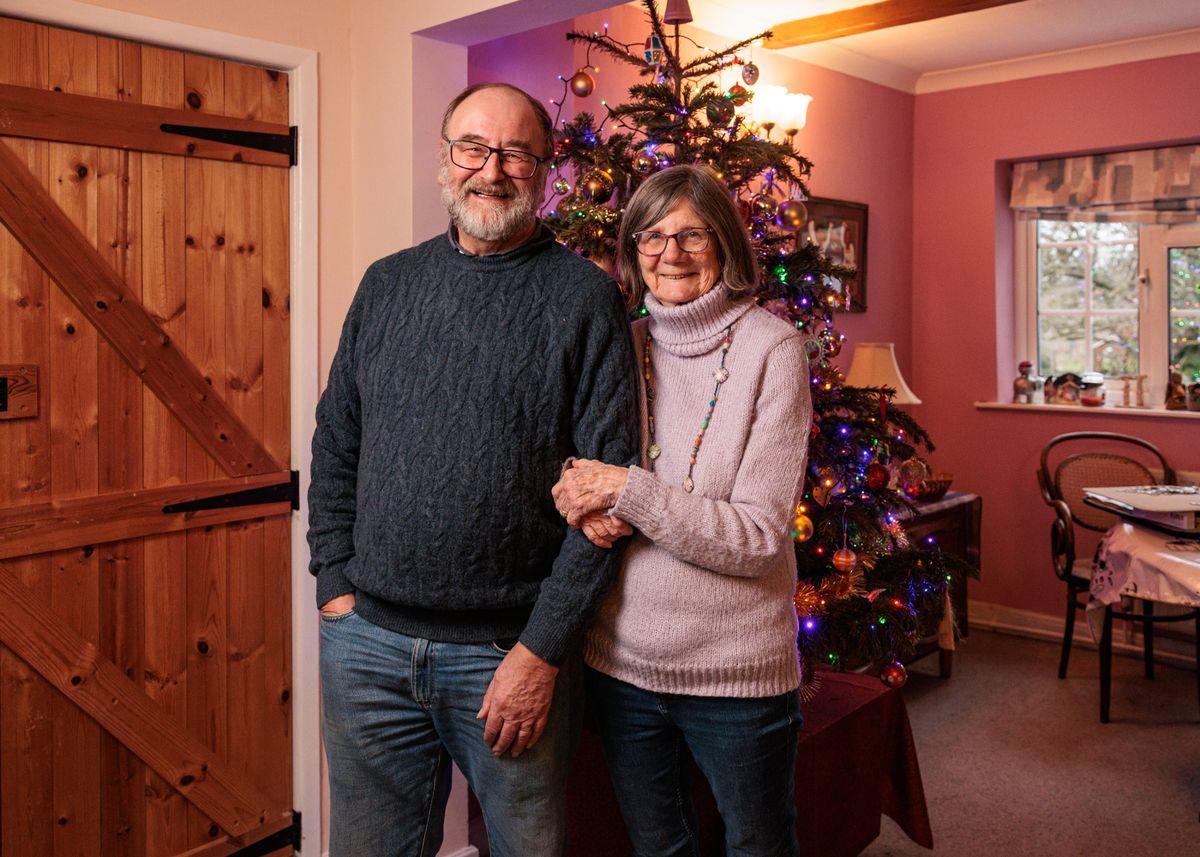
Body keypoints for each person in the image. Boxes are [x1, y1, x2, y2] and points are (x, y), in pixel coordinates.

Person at [307, 82, 640, 857]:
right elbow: (337, 439)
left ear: (544, 171)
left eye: (517, 152)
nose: (491, 170)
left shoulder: (587, 300)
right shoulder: (386, 284)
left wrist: (540, 649)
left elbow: (609, 499)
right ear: (443, 161)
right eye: (473, 148)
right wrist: (334, 584)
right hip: (366, 647)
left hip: (507, 655)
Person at [552, 164, 813, 857]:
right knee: (658, 849)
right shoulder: (623, 342)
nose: (671, 253)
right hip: (621, 665)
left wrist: (626, 491)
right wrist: (576, 496)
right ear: (633, 249)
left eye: (692, 234)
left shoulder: (773, 350)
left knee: (759, 847)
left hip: (737, 674)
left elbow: (758, 535)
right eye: (653, 235)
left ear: (724, 241)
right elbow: (573, 467)